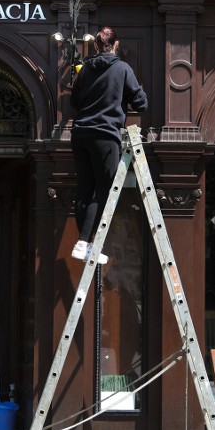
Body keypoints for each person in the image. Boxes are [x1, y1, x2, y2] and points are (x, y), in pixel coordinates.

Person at [69, 26, 148, 264]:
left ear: (95, 46)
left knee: (84, 189)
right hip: (105, 135)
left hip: (80, 133)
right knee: (104, 191)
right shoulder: (123, 68)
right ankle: (85, 243)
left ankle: (86, 243)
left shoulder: (84, 71)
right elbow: (141, 104)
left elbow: (74, 102)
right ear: (116, 45)